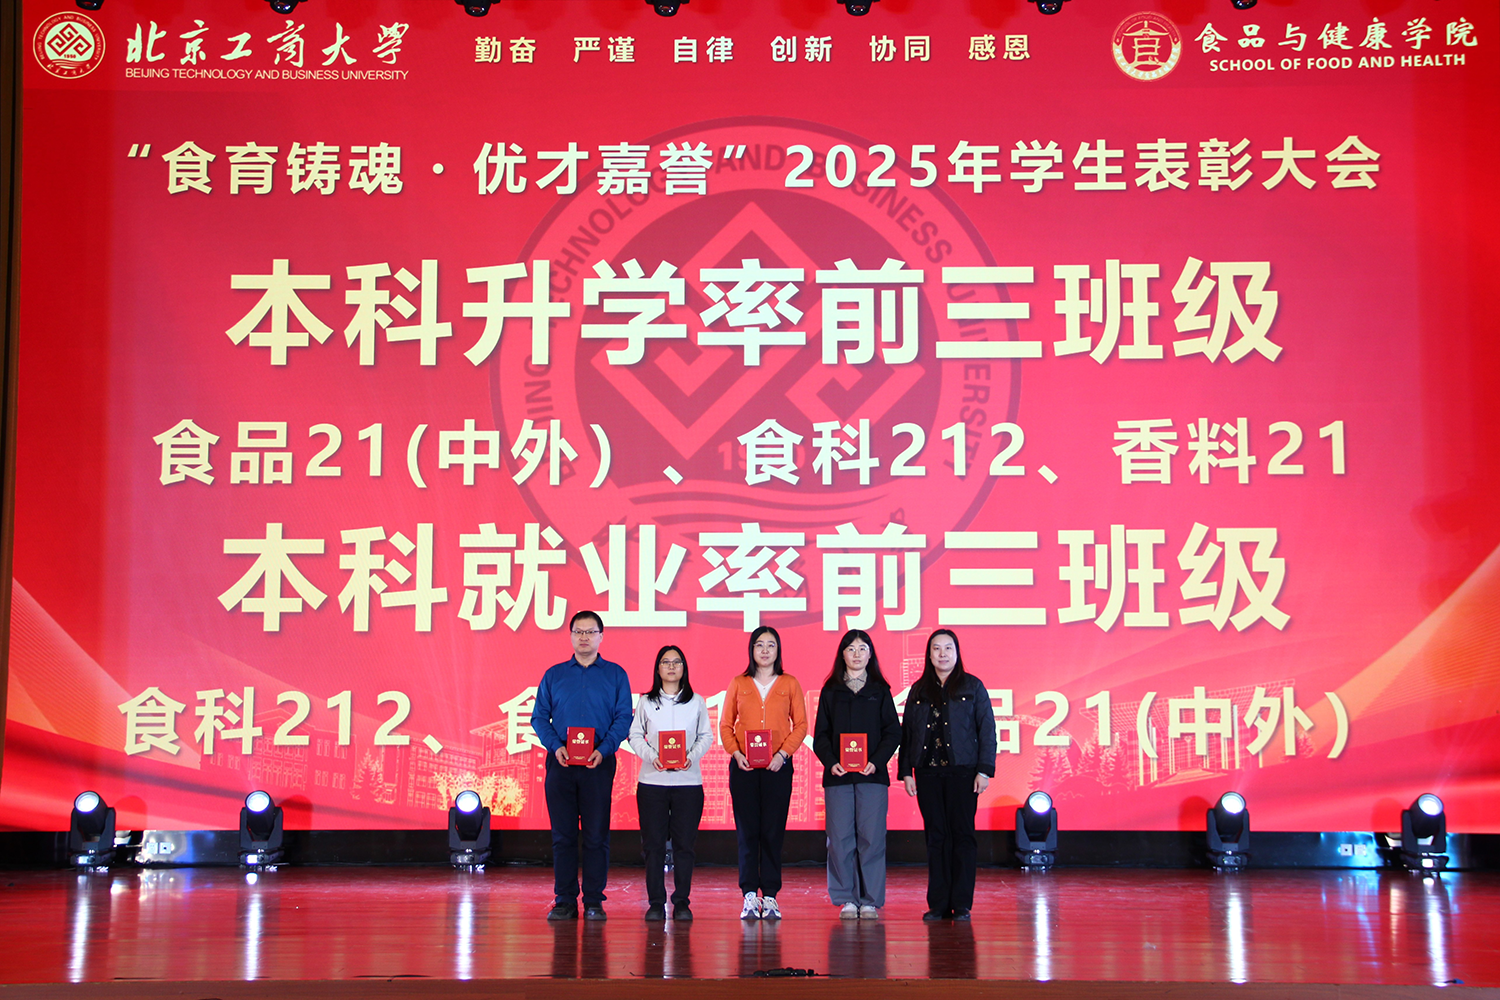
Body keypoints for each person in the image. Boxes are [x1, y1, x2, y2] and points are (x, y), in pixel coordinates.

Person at [531, 610, 632, 921]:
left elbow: (623, 718)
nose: (584, 637)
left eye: (590, 632)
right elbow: (539, 717)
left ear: (601, 636)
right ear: (571, 636)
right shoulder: (554, 675)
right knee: (562, 836)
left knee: (596, 835)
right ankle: (564, 900)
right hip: (561, 762)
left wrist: (604, 749)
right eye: (578, 632)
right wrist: (556, 746)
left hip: (598, 763)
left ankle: (593, 901)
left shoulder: (616, 675)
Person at [897, 628, 996, 922]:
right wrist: (906, 772)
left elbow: (987, 730)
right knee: (936, 837)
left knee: (962, 836)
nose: (942, 654)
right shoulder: (919, 690)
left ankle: (962, 903)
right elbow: (907, 734)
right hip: (927, 774)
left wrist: (984, 770)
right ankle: (938, 903)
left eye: (948, 648)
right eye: (936, 649)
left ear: (957, 653)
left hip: (963, 773)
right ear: (929, 655)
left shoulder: (972, 687)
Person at [720, 625, 807, 920]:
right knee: (747, 832)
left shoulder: (789, 683)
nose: (765, 650)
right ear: (752, 650)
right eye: (760, 644)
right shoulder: (739, 683)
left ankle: (769, 895)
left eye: (771, 645)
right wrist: (736, 753)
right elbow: (725, 725)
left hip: (777, 768)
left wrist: (783, 754)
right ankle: (748, 895)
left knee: (772, 831)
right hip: (744, 768)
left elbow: (801, 725)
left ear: (778, 650)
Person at [812, 629, 900, 920]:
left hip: (872, 776)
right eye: (851, 649)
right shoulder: (831, 691)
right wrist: (831, 762)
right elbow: (820, 735)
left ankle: (869, 900)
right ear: (842, 654)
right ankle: (846, 898)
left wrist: (876, 761)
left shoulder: (880, 690)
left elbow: (893, 732)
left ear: (870, 654)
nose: (857, 654)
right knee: (839, 838)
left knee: (872, 838)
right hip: (838, 776)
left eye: (863, 649)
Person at [627, 644, 712, 922]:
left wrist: (691, 757)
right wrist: (653, 757)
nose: (672, 667)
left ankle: (682, 902)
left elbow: (706, 736)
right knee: (653, 846)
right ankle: (655, 902)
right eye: (666, 662)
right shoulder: (646, 702)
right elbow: (634, 735)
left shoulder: (696, 701)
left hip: (688, 784)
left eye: (677, 662)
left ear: (684, 668)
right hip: (652, 783)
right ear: (658, 668)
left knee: (684, 846)